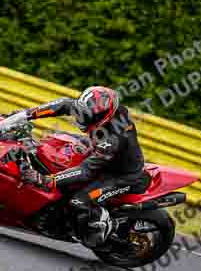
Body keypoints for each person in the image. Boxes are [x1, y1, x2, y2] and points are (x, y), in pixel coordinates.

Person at [14, 86, 147, 247]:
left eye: (86, 117)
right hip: (98, 149)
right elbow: (63, 104)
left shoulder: (113, 139)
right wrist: (25, 115)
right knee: (53, 142)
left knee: (78, 201)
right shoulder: (99, 111)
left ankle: (101, 226)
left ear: (101, 117)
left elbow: (85, 171)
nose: (81, 118)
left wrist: (46, 180)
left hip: (120, 175)